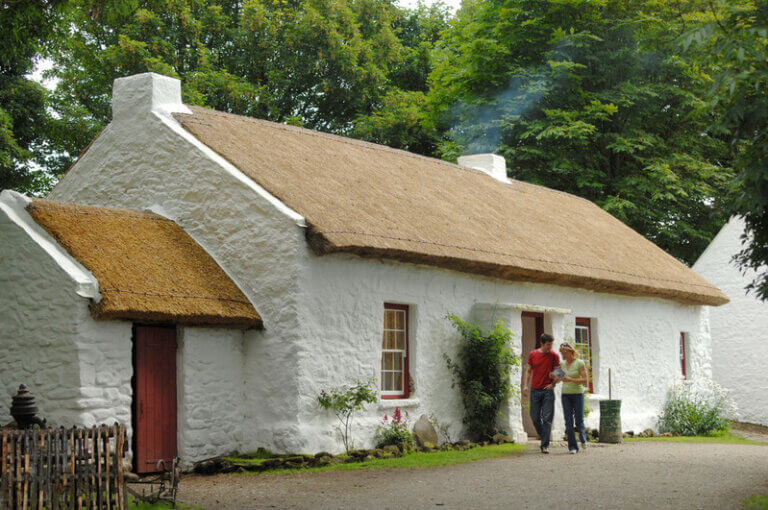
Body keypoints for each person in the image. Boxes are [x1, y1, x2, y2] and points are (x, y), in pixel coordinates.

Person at [522, 333, 560, 454]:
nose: (550, 347)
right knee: (534, 417)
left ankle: (545, 445)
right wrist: (525, 386)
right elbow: (528, 371)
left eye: (551, 345)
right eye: (548, 345)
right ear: (542, 344)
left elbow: (560, 374)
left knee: (547, 418)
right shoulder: (533, 354)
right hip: (535, 390)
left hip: (548, 391)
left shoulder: (554, 356)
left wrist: (553, 384)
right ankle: (544, 435)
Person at [556, 341, 589, 454]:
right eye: (561, 353)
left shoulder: (579, 363)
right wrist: (553, 377)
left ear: (570, 352)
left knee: (579, 420)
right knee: (568, 421)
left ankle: (583, 438)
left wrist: (571, 380)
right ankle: (572, 447)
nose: (563, 355)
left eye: (564, 353)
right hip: (566, 395)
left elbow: (585, 380)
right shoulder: (562, 364)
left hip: (578, 394)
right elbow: (557, 378)